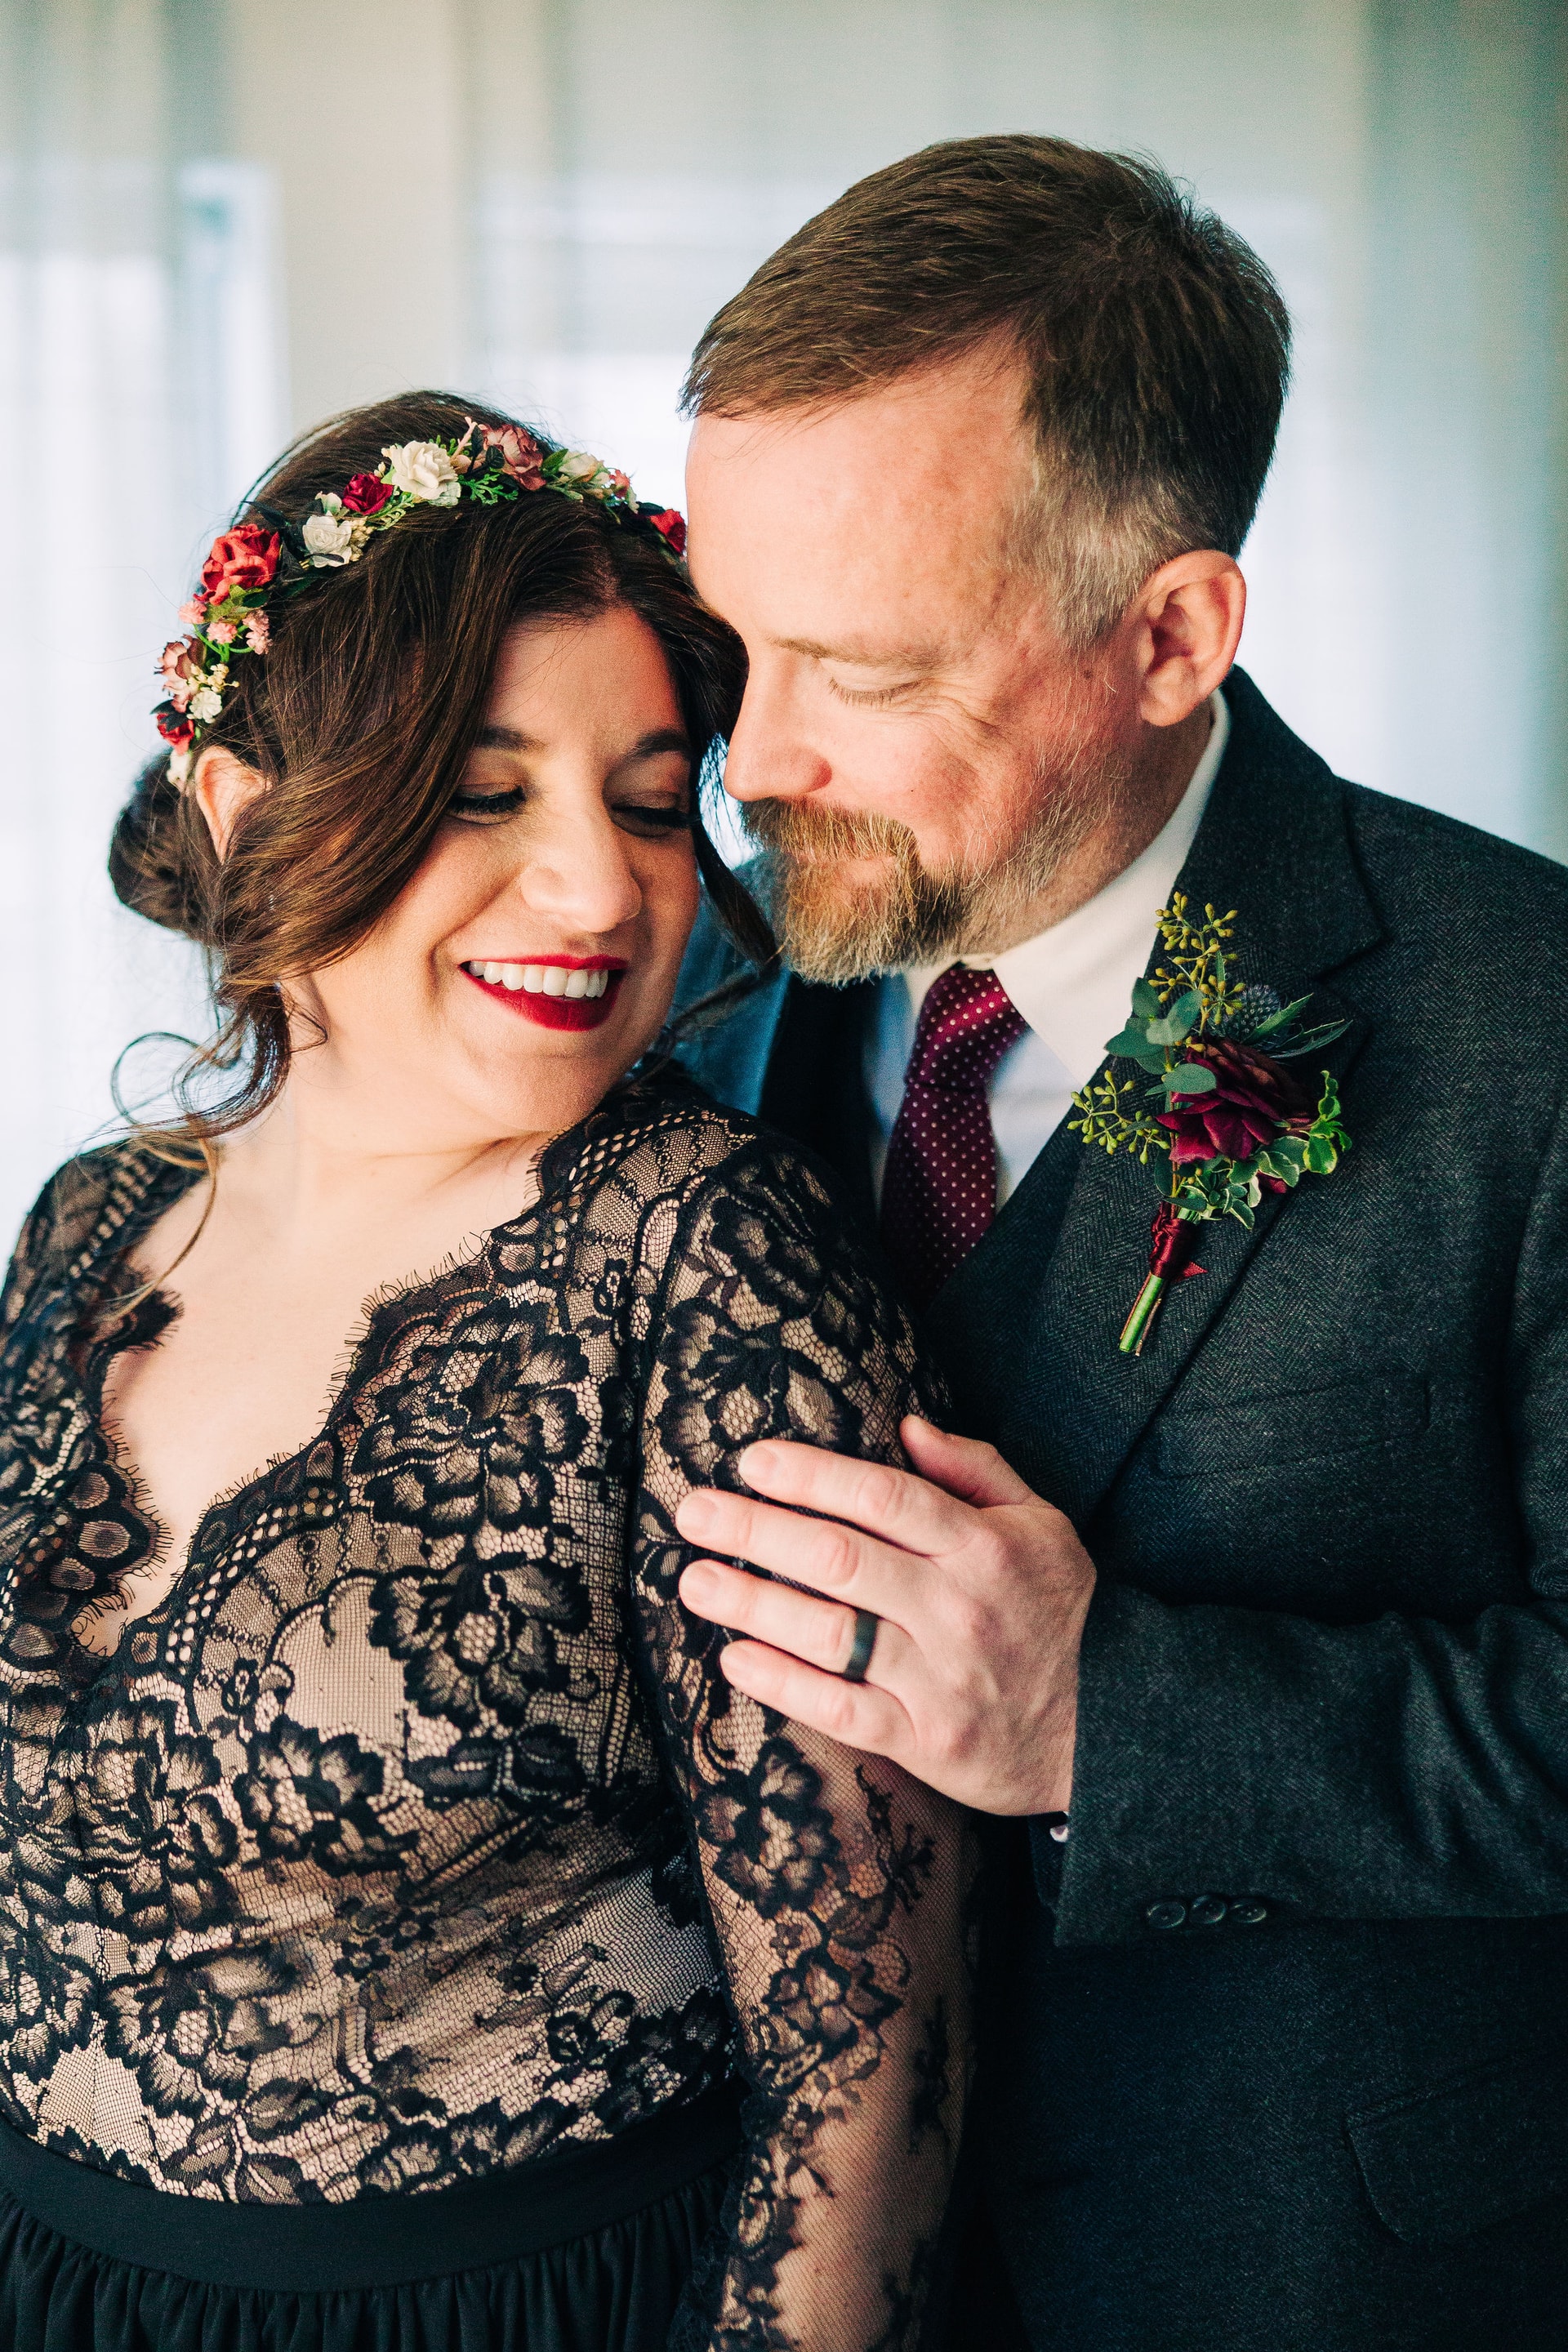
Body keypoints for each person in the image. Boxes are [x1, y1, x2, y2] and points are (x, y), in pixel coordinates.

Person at [668, 133, 1568, 2350]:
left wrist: (1116, 1721)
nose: (748, 758)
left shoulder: (1528, 1024)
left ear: (1167, 634)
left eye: (863, 672)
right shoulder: (668, 985)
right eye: (727, 643)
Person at [0, 391, 969, 2352]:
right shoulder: (88, 1222)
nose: (604, 893)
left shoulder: (713, 1261)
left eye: (644, 796)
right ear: (242, 805)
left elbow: (877, 2069)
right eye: (484, 789)